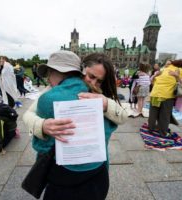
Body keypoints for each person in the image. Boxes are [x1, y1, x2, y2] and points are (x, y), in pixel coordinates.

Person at [29, 50, 118, 200]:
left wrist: (41, 126)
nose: (93, 82)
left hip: (63, 178)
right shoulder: (100, 97)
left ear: (56, 71)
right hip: (97, 173)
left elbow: (41, 147)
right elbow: (113, 125)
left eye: (49, 73)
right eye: (90, 76)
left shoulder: (48, 98)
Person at [23, 53, 132, 142]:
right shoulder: (52, 90)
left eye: (99, 81)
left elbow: (123, 117)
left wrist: (107, 104)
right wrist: (42, 125)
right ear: (82, 71)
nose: (93, 82)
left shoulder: (101, 94)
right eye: (91, 76)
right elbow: (28, 114)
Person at [148, 59, 182, 137]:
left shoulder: (163, 69)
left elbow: (153, 81)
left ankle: (150, 129)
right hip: (167, 95)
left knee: (153, 113)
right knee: (165, 115)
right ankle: (163, 132)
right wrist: (177, 77)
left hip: (155, 94)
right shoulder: (178, 69)